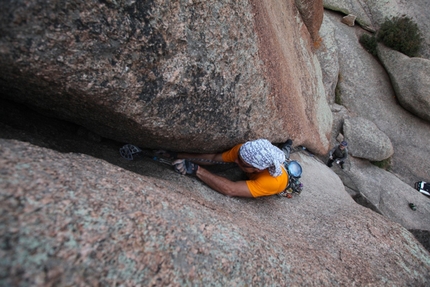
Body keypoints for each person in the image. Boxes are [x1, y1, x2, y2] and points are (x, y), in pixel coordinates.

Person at [164, 139, 291, 198]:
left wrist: (196, 169)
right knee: (283, 154)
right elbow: (213, 158)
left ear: (257, 169)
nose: (236, 160)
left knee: (286, 157)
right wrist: (176, 154)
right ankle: (284, 148)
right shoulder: (245, 150)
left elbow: (231, 189)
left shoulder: (271, 182)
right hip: (265, 164)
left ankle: (286, 148)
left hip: (285, 178)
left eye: (241, 162)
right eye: (238, 156)